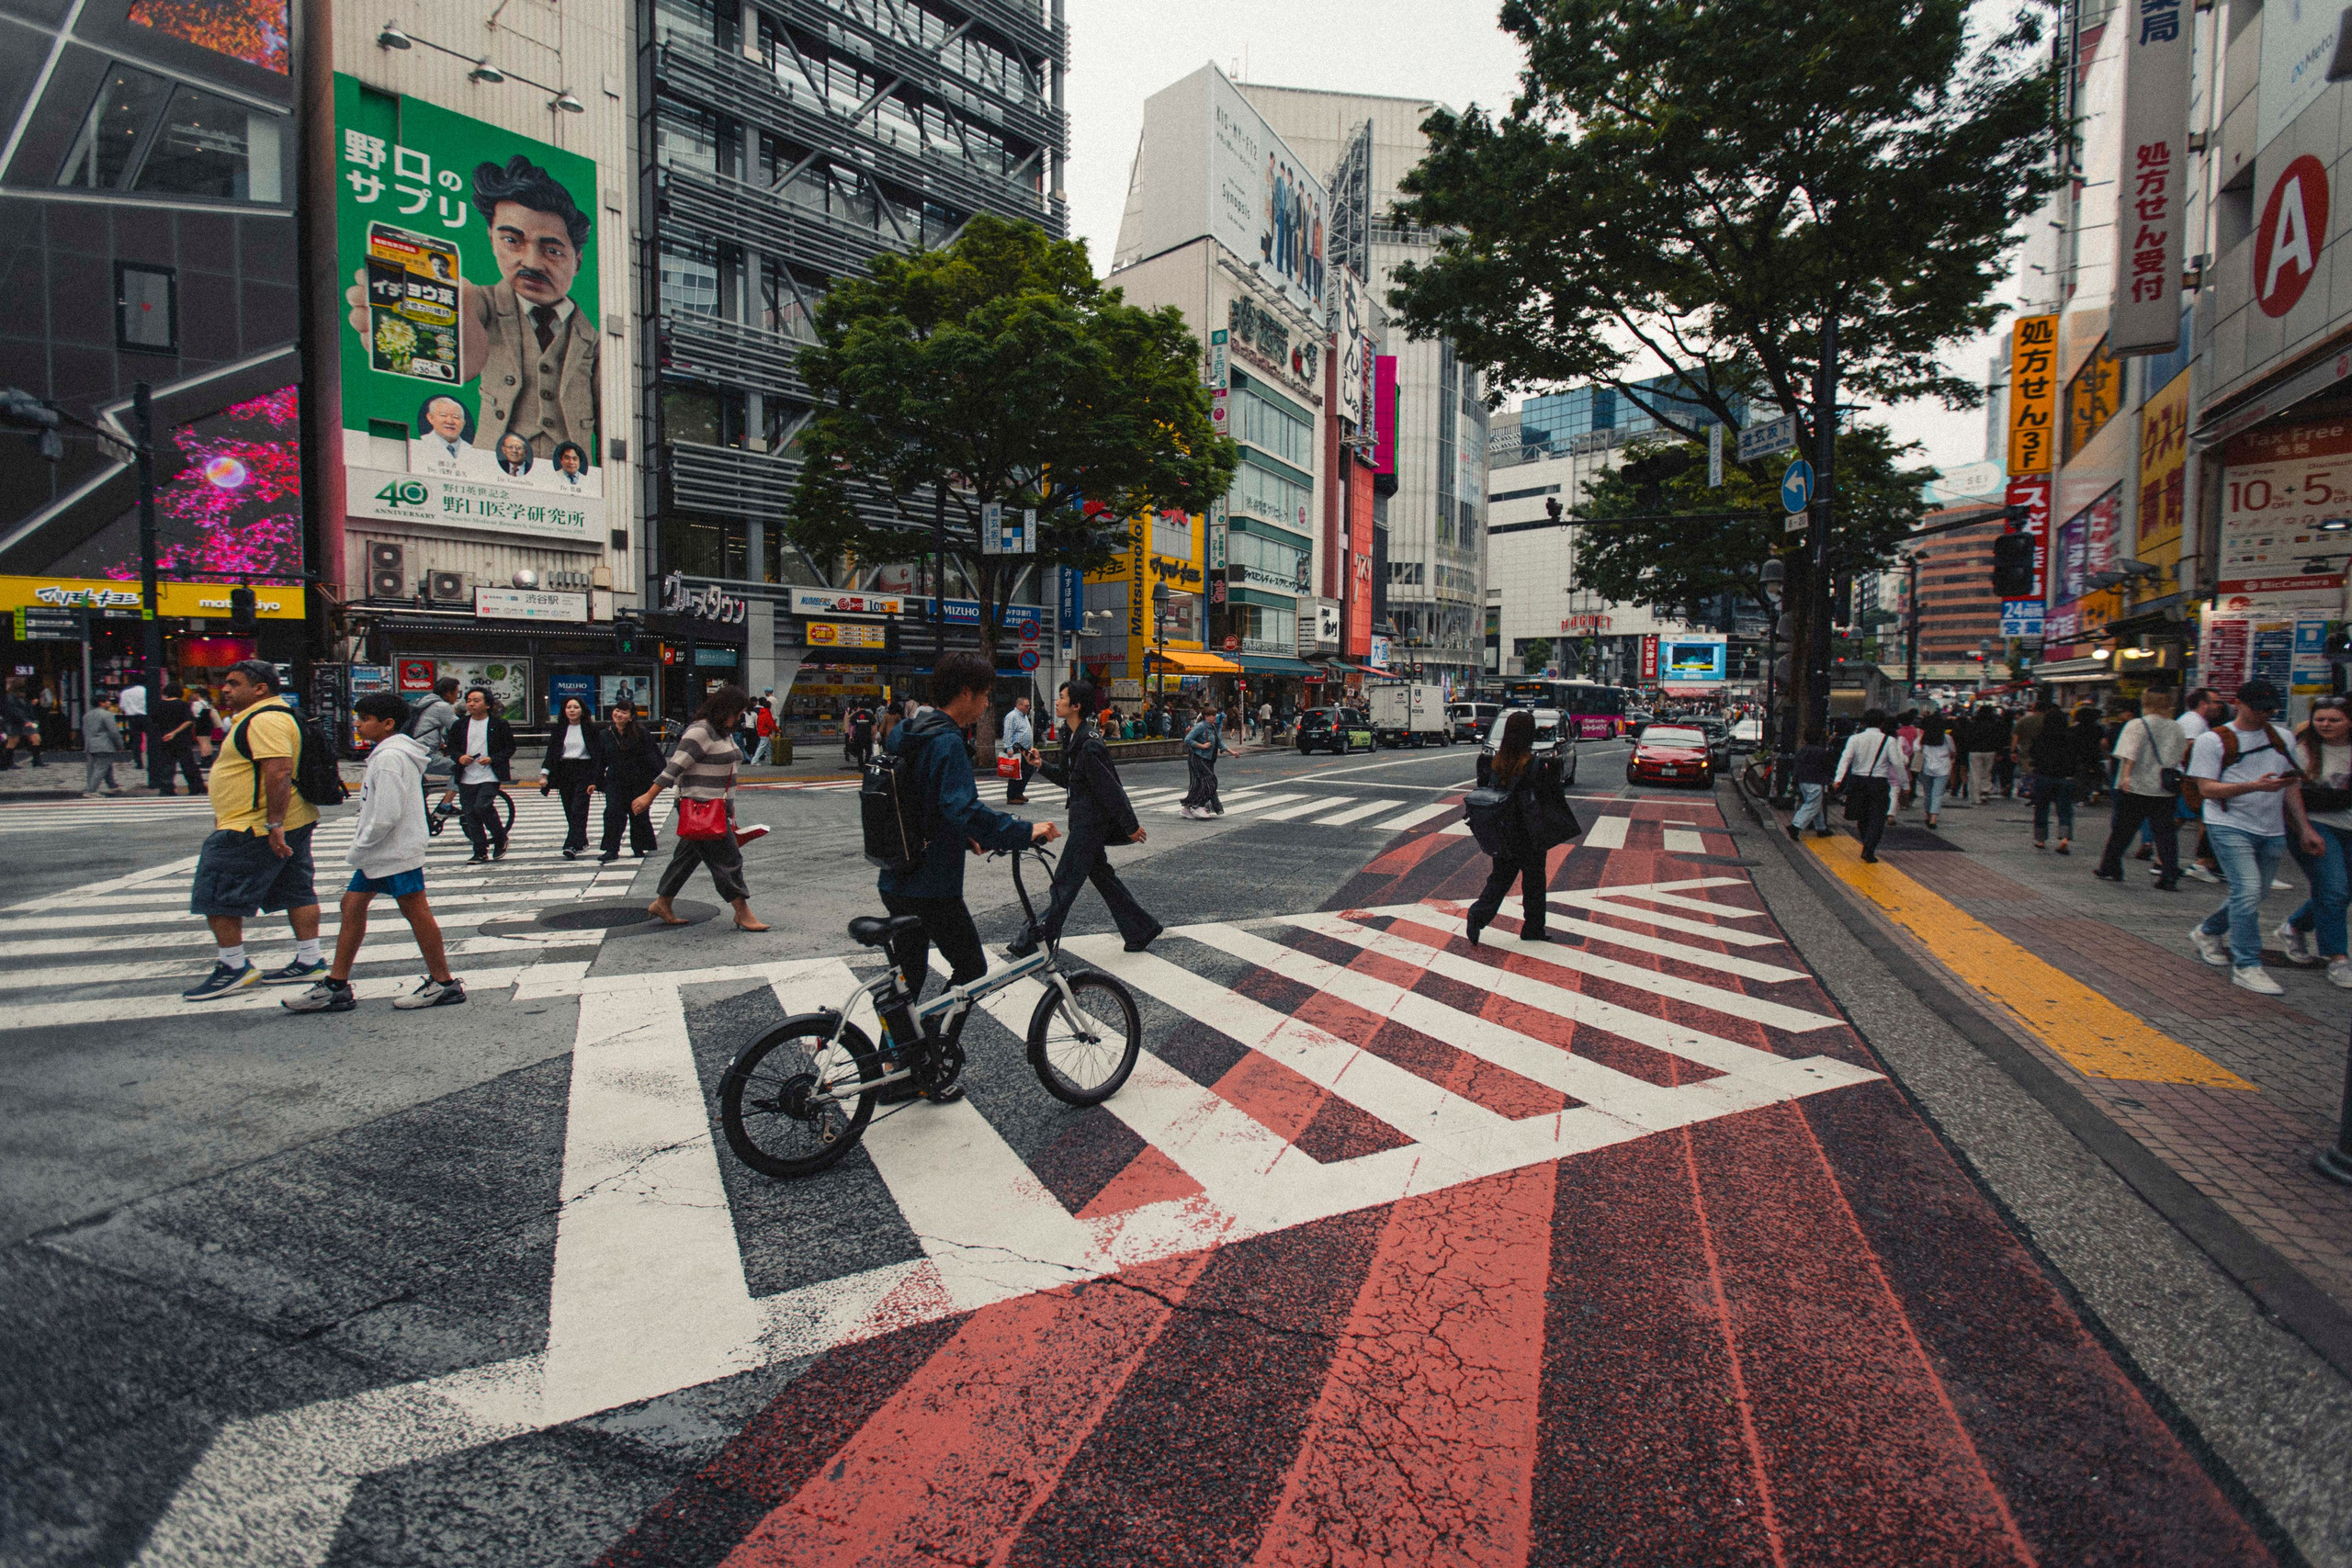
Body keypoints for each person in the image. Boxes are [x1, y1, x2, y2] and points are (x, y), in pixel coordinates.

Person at [881, 653, 1059, 993]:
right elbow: (963, 809)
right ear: (965, 693)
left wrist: (962, 838)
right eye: (985, 694)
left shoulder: (907, 732)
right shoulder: (946, 741)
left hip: (895, 874)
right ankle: (936, 1038)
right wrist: (1024, 830)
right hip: (931, 884)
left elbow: (918, 801)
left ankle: (903, 1046)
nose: (987, 703)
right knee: (972, 968)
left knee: (908, 982)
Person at [282, 692, 465, 1013]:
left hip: (391, 850)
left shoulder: (389, 758)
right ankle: (337, 985)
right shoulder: (391, 754)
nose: (358, 724)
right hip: (385, 851)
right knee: (352, 905)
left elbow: (386, 814)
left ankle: (444, 983)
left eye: (364, 719)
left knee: (415, 911)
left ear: (387, 724)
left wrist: (360, 845)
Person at [182, 660, 327, 998]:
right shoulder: (269, 716)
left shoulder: (265, 719)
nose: (226, 689)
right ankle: (310, 959)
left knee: (216, 895)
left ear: (260, 688)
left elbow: (278, 771)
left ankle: (233, 966)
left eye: (234, 683)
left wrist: (273, 823)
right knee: (296, 890)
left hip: (255, 825)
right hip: (287, 819)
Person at [2188, 680, 2321, 995]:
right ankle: (2247, 964)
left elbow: (2291, 785)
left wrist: (2304, 828)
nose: (2264, 714)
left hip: (2271, 827)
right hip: (2227, 823)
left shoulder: (2282, 737)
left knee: (2255, 894)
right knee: (2247, 890)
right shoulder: (2214, 740)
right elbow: (2205, 789)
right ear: (2239, 703)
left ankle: (2208, 931)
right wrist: (2253, 786)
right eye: (2257, 707)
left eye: (2269, 709)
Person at [1011, 678, 1159, 957]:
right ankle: (1140, 928)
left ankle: (1034, 941)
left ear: (1076, 706)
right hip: (1083, 820)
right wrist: (1041, 765)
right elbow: (1070, 779)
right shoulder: (1072, 736)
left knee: (1064, 883)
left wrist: (1131, 825)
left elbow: (1110, 788)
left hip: (1090, 824)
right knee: (1103, 878)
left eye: (1062, 697)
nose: (1057, 701)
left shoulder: (1089, 743)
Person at [633, 684, 770, 931]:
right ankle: (742, 912)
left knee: (688, 856)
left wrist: (729, 808)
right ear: (725, 709)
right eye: (737, 713)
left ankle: (663, 903)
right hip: (700, 806)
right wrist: (648, 796)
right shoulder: (701, 731)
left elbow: (726, 774)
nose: (739, 718)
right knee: (728, 859)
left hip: (714, 806)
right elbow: (674, 767)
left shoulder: (722, 732)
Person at [1464, 708, 1577, 944]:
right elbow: (1550, 798)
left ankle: (1478, 915)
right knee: (1534, 881)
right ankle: (1533, 928)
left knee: (1500, 878)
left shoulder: (1495, 762)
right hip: (1529, 832)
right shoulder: (1535, 764)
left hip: (1503, 829)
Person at [2278, 695, 2352, 987]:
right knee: (2333, 890)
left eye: (2334, 719)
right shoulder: (2303, 749)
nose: (2325, 724)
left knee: (2342, 892)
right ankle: (2338, 959)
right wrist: (2305, 829)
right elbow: (2290, 791)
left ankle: (2294, 926)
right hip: (2316, 826)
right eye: (2320, 719)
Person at [2095, 685, 2187, 890]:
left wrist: (2125, 777)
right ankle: (2169, 874)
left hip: (2136, 786)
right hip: (2164, 788)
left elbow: (2129, 755)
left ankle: (2110, 865)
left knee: (2122, 830)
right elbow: (2181, 754)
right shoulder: (2176, 727)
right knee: (2165, 833)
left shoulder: (2137, 725)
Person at [445, 687, 515, 863]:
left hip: (490, 773)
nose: (471, 704)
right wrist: (460, 757)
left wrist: (492, 758)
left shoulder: (499, 724)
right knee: (470, 813)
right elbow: (451, 748)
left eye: (476, 700)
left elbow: (510, 748)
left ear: (487, 704)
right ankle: (480, 851)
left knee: (482, 806)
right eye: (469, 700)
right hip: (467, 774)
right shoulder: (459, 725)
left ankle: (500, 839)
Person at [1833, 709, 1903, 863]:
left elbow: (1846, 759)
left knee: (1862, 816)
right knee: (1878, 816)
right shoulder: (1888, 740)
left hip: (1858, 781)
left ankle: (1866, 842)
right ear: (1882, 723)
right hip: (1879, 782)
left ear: (1864, 722)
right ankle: (1869, 848)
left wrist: (1838, 779)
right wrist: (1904, 783)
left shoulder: (1854, 739)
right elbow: (1897, 763)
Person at [596, 698, 662, 861]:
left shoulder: (641, 733)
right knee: (613, 813)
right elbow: (599, 760)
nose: (618, 714)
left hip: (638, 779)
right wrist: (596, 781)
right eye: (617, 711)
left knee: (638, 813)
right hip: (614, 780)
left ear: (631, 716)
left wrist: (659, 778)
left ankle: (639, 847)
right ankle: (611, 849)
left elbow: (653, 756)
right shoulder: (605, 734)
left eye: (623, 712)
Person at [2177, 687, 2230, 883]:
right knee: (2201, 816)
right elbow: (2189, 748)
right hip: (2192, 778)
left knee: (2189, 817)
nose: (2219, 706)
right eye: (2215, 702)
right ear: (2203, 703)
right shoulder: (2194, 721)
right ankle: (2203, 862)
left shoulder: (2195, 721)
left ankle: (2206, 862)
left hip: (2192, 777)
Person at [540, 695, 598, 858]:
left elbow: (598, 755)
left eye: (576, 707)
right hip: (565, 771)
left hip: (584, 770)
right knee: (569, 808)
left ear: (582, 710)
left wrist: (596, 778)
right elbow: (551, 753)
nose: (572, 710)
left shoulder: (590, 729)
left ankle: (571, 844)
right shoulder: (559, 729)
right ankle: (582, 839)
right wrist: (545, 775)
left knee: (579, 808)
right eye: (569, 707)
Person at [2028, 702, 2081, 853]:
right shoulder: (2071, 738)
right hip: (2065, 778)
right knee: (2065, 809)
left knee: (2041, 808)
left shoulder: (2040, 737)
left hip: (2044, 777)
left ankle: (2040, 840)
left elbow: (2033, 755)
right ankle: (2064, 838)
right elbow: (2076, 757)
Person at [147, 683, 205, 795]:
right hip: (182, 739)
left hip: (164, 738)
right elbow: (189, 720)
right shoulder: (184, 705)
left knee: (167, 764)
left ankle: (167, 788)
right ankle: (196, 787)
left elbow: (153, 722)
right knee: (188, 764)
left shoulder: (159, 705)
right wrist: (175, 732)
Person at [1180, 705, 1237, 818]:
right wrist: (1202, 746)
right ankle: (1199, 806)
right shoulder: (1200, 726)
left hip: (1208, 759)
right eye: (1213, 715)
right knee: (1211, 781)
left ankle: (1187, 808)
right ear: (1206, 716)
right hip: (1198, 758)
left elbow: (1219, 743)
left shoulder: (1213, 727)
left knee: (1198, 784)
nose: (1216, 717)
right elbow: (1188, 739)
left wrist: (1232, 752)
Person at [1787, 728, 1836, 840]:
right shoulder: (1821, 752)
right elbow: (1827, 768)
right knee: (1812, 805)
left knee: (1815, 804)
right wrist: (1830, 781)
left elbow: (1797, 767)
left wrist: (1795, 780)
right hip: (1815, 782)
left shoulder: (1801, 750)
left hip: (1803, 781)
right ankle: (1795, 826)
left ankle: (1821, 828)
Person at [1913, 713, 1956, 828]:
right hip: (1943, 768)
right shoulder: (1946, 738)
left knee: (1928, 793)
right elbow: (1953, 751)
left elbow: (1916, 748)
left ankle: (1927, 814)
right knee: (1937, 794)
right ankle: (1933, 818)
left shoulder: (1923, 737)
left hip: (1927, 767)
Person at [81, 694, 127, 796]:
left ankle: (113, 786)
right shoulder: (107, 715)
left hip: (90, 744)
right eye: (107, 701)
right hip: (104, 744)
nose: (109, 703)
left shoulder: (87, 715)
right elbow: (114, 732)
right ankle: (91, 790)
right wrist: (120, 744)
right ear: (101, 703)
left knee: (102, 767)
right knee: (101, 768)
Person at [1001, 693, 1036, 805]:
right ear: (1019, 705)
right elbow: (1008, 733)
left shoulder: (1024, 716)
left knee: (1029, 770)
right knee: (1015, 772)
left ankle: (1019, 792)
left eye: (1029, 705)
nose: (1028, 708)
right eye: (1026, 706)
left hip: (1025, 749)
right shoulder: (1012, 716)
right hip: (1016, 748)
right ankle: (1011, 796)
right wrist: (1009, 748)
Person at [118, 678, 148, 769]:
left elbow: (122, 706)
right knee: (151, 738)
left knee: (135, 740)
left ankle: (138, 762)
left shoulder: (125, 692)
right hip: (146, 716)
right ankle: (153, 759)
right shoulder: (146, 691)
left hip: (132, 717)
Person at [751, 690, 777, 765]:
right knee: (762, 747)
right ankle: (754, 761)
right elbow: (771, 723)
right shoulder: (767, 713)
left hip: (761, 731)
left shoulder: (761, 712)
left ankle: (771, 760)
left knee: (767, 747)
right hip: (765, 732)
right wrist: (777, 729)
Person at [851, 704, 876, 769]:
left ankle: (860, 766)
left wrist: (851, 735)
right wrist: (874, 735)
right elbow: (873, 726)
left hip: (858, 736)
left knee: (859, 752)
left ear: (859, 707)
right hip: (867, 736)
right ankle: (866, 763)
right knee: (869, 751)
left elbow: (852, 726)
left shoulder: (855, 715)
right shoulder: (869, 715)